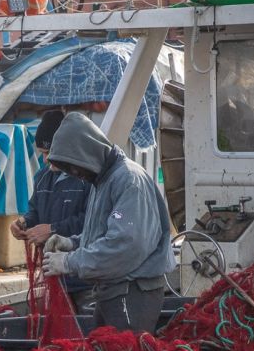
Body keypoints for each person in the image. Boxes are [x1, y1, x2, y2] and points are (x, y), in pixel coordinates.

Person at [40, 112, 174, 332]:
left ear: (86, 153)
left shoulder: (128, 180)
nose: (75, 173)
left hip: (133, 293)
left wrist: (69, 262)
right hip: (113, 290)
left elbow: (124, 245)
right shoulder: (103, 180)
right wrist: (72, 243)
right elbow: (105, 233)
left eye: (73, 166)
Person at [10, 110, 92, 308]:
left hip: (85, 280)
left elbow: (91, 221)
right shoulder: (42, 177)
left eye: (49, 153)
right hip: (53, 275)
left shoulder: (87, 179)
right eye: (42, 154)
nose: (45, 160)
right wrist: (24, 222)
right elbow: (35, 210)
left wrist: (52, 229)